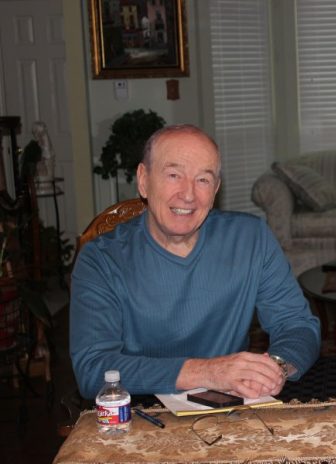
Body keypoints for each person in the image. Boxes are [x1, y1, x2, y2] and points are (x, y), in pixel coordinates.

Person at [71, 124, 321, 400]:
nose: (188, 194)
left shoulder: (251, 239)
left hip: (230, 406)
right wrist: (206, 372)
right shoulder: (101, 260)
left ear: (216, 189)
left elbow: (298, 324)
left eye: (203, 180)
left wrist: (275, 369)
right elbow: (93, 369)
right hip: (137, 409)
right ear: (143, 180)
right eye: (174, 175)